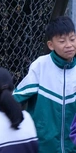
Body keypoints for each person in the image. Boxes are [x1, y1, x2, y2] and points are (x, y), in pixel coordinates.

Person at [14, 16, 76, 153]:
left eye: (72, 39)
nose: (69, 45)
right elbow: (17, 97)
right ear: (50, 45)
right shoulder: (40, 66)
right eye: (62, 41)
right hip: (44, 146)